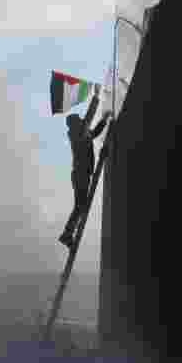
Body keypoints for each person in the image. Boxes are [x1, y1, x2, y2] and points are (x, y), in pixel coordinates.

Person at [59, 91, 112, 248]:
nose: (84, 123)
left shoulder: (82, 134)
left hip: (81, 174)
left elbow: (94, 132)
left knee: (80, 206)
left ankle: (67, 234)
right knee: (80, 206)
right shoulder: (77, 134)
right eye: (82, 122)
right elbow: (89, 119)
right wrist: (95, 98)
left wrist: (104, 120)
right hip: (80, 174)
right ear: (76, 125)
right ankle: (67, 234)